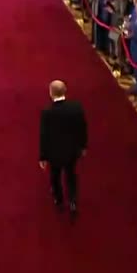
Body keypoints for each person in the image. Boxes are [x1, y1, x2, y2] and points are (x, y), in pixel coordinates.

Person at [39, 80, 88, 216]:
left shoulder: (47, 112)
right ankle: (72, 201)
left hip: (54, 153)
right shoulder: (76, 107)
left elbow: (44, 136)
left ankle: (59, 200)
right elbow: (82, 128)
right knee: (71, 175)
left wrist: (43, 156)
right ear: (65, 90)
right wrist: (83, 146)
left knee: (55, 177)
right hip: (72, 151)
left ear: (51, 93)